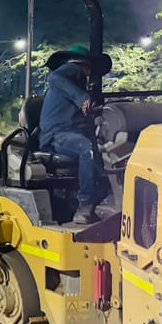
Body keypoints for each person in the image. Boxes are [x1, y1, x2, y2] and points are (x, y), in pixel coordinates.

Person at [38, 46, 111, 224]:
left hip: (70, 134)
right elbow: (53, 77)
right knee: (86, 149)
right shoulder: (73, 71)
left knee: (103, 149)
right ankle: (84, 205)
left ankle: (105, 194)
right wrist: (82, 99)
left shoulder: (75, 85)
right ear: (85, 65)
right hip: (57, 136)